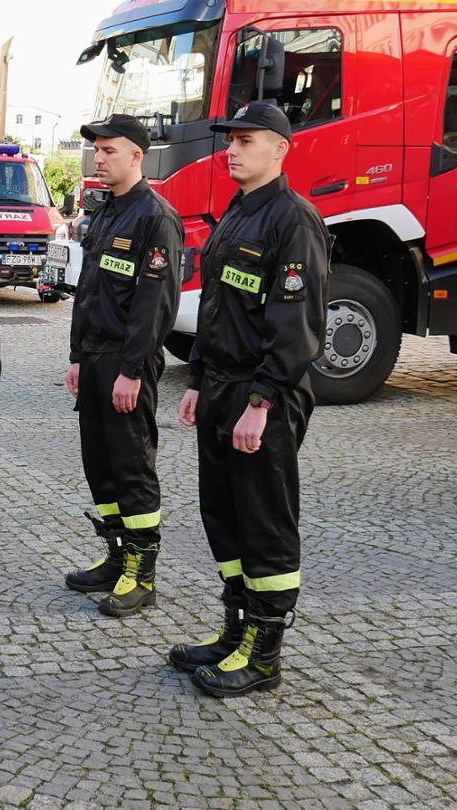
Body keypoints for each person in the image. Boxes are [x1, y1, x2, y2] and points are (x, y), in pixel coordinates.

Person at [168, 101, 328, 698]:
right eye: (230, 140)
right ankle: (235, 633)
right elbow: (216, 309)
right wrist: (200, 380)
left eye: (246, 140)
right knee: (225, 519)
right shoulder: (238, 213)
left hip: (265, 396)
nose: (232, 150)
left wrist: (260, 401)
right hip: (223, 388)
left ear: (281, 147)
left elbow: (296, 323)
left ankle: (264, 655)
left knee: (264, 523)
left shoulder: (294, 220)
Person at [61, 114, 184, 618]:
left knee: (132, 466)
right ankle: (116, 554)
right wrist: (75, 356)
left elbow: (154, 305)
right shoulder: (107, 212)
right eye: (98, 150)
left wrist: (132, 370)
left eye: (110, 150)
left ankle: (143, 571)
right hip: (93, 357)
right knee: (100, 465)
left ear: (137, 155)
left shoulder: (155, 218)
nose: (100, 158)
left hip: (124, 361)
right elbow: (86, 293)